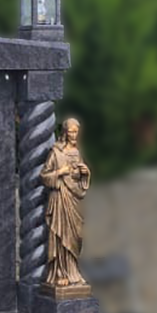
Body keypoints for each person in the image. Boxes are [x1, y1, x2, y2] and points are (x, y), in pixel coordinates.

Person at [40, 117, 91, 289]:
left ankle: (73, 272)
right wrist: (60, 171)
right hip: (60, 198)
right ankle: (60, 273)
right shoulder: (56, 153)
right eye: (71, 131)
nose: (74, 135)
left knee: (75, 235)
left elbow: (77, 178)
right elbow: (44, 177)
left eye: (76, 131)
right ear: (64, 132)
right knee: (61, 235)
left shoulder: (77, 152)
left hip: (74, 198)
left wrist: (85, 174)